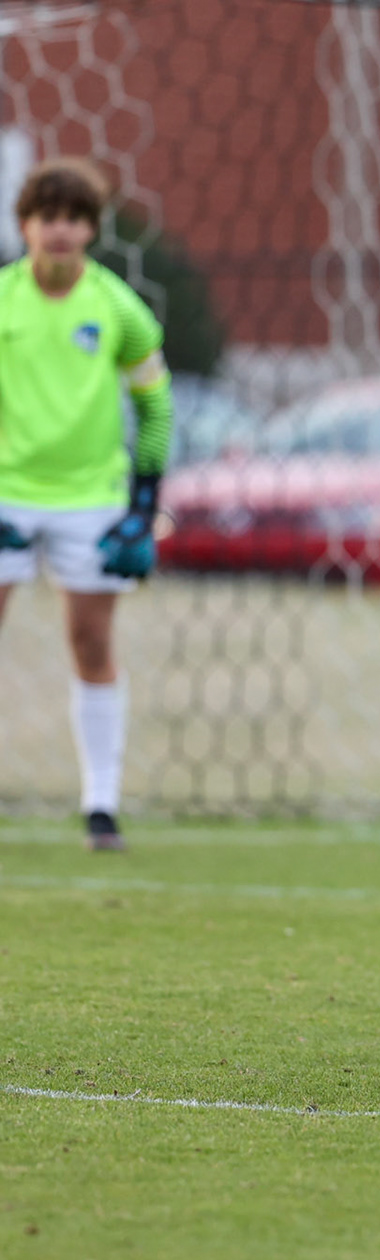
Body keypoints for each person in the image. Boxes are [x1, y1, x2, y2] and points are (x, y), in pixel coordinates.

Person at [0, 158, 173, 852]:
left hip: (91, 500)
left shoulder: (117, 308)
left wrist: (144, 502)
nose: (60, 231)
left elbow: (155, 406)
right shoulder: (4, 300)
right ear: (25, 226)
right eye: (49, 218)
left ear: (92, 230)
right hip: (6, 492)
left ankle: (101, 805)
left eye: (75, 219)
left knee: (91, 641)